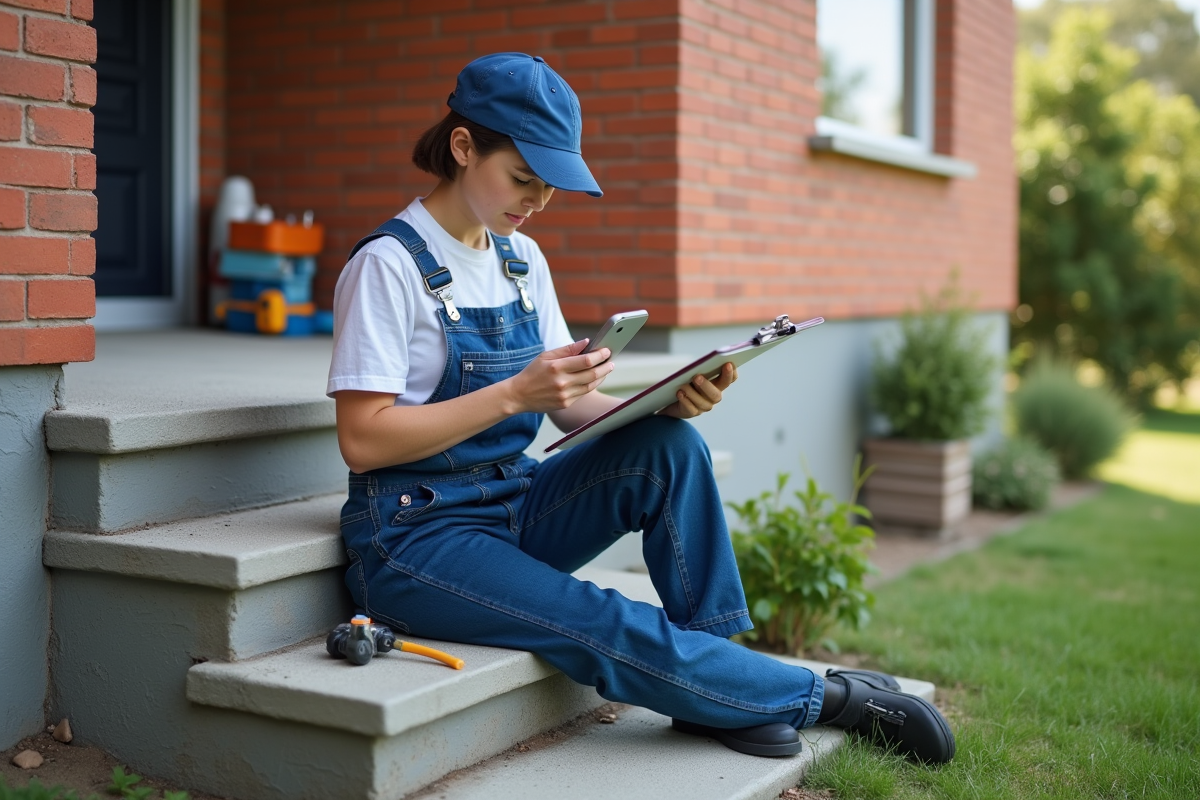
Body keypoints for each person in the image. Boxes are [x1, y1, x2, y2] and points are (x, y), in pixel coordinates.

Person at [328, 52, 954, 764]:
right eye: (523, 179)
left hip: (514, 503)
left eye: (550, 185)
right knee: (602, 617)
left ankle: (715, 683)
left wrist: (664, 406)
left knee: (670, 450)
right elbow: (363, 440)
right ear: (464, 147)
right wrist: (513, 394)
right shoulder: (387, 264)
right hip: (417, 539)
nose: (535, 200)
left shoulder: (522, 261)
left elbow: (570, 409)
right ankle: (833, 698)